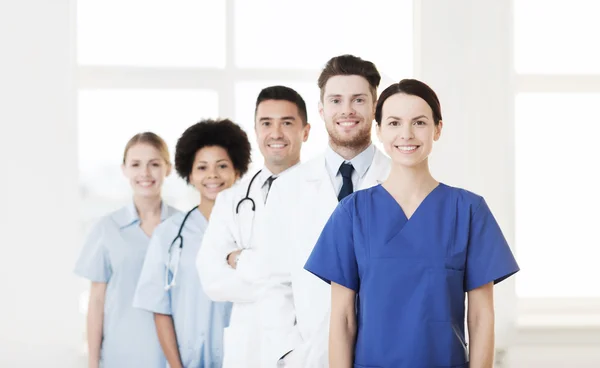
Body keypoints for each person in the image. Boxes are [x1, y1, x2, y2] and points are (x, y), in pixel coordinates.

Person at [305, 79, 520, 367]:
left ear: (437, 129)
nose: (406, 134)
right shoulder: (353, 212)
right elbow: (343, 319)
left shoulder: (468, 210)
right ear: (379, 130)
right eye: (394, 123)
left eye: (419, 122)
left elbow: (481, 317)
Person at [262, 55, 391, 367]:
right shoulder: (287, 188)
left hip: (388, 352)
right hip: (311, 356)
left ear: (374, 107)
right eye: (336, 100)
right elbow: (272, 282)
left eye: (358, 100)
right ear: (321, 110)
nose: (346, 110)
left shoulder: (399, 181)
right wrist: (289, 351)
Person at [196, 86, 311, 368]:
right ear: (256, 131)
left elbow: (316, 275)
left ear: (305, 131)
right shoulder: (230, 200)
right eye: (266, 123)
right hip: (247, 349)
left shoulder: (323, 194)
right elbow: (211, 279)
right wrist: (287, 279)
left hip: (305, 346)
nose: (276, 133)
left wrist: (241, 259)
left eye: (287, 123)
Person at [133, 119, 252, 367]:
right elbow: (160, 308)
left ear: (237, 171)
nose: (212, 175)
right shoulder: (168, 234)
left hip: (245, 357)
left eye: (222, 166)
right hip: (187, 361)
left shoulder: (252, 230)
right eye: (202, 167)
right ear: (189, 173)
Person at [74, 132, 178, 368]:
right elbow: (96, 302)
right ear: (124, 170)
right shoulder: (107, 228)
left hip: (172, 357)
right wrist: (92, 363)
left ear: (168, 168)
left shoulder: (183, 226)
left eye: (154, 164)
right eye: (136, 164)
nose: (145, 173)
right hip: (119, 356)